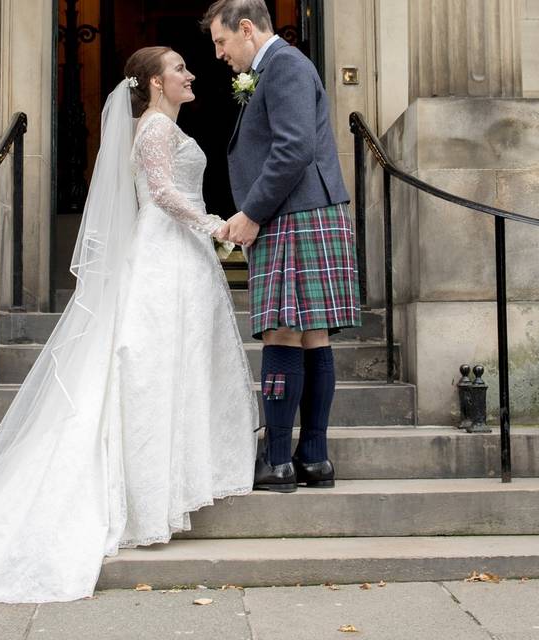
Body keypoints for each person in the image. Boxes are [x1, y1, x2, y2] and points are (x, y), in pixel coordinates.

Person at [0, 46, 257, 604]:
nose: (191, 74)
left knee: (173, 363)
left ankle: (171, 483)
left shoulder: (154, 124)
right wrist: (217, 224)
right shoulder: (157, 129)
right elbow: (163, 194)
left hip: (175, 254)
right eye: (180, 69)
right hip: (167, 253)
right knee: (155, 366)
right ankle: (152, 493)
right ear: (153, 82)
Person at [205, 0, 361, 493]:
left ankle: (277, 462)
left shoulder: (286, 65)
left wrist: (252, 213)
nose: (218, 53)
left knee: (281, 334)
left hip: (294, 212)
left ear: (246, 28)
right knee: (312, 335)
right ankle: (313, 459)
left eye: (221, 41)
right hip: (305, 211)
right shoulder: (279, 66)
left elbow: (294, 148)